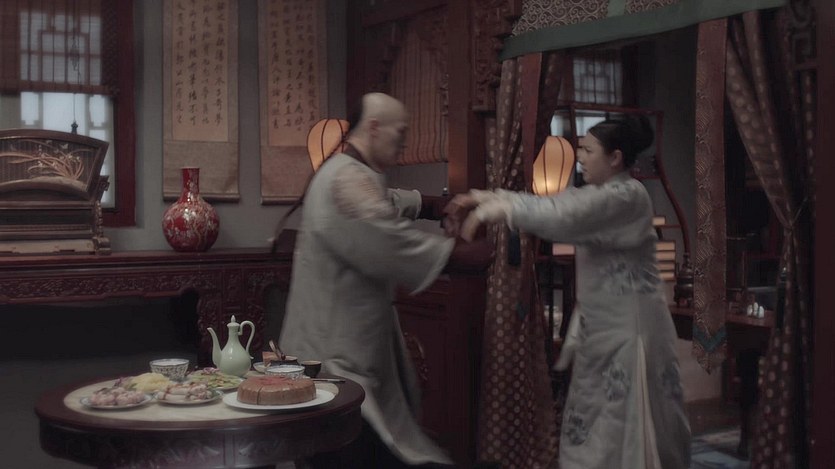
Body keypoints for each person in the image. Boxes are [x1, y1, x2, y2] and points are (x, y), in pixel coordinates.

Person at [449, 115, 691, 468]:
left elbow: (566, 214)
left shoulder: (628, 195)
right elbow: (560, 205)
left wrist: (504, 207)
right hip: (603, 323)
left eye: (589, 150)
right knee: (596, 414)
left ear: (615, 158)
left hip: (630, 328)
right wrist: (490, 197)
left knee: (621, 422)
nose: (580, 157)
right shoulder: (601, 194)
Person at [278, 92, 491, 468]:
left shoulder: (351, 172)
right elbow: (385, 235)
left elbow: (384, 201)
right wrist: (462, 254)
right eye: (401, 132)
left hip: (343, 351)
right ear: (374, 128)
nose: (406, 142)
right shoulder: (346, 179)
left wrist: (432, 205)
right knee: (359, 454)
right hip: (332, 361)